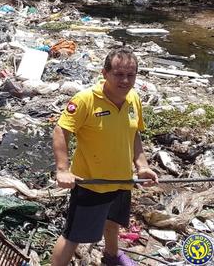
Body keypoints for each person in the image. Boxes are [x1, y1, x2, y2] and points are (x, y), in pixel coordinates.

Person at [51, 47, 158, 266]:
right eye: (119, 74)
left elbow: (133, 133)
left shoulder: (133, 98)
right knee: (73, 235)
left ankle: (111, 257)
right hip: (92, 183)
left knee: (113, 222)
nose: (125, 81)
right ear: (105, 73)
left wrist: (142, 166)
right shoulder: (85, 100)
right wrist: (63, 169)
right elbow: (61, 131)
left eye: (131, 75)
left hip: (122, 180)